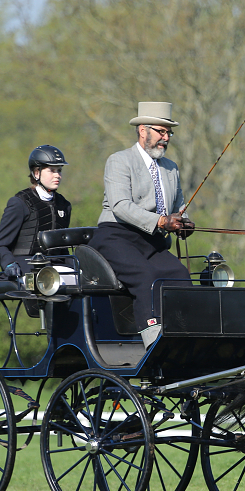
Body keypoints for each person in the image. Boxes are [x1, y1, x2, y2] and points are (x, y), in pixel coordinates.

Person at [87, 101, 195, 346]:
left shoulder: (171, 168)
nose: (165, 138)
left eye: (169, 133)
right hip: (116, 236)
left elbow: (178, 207)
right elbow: (120, 206)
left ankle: (185, 338)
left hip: (152, 241)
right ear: (143, 130)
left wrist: (183, 223)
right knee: (146, 277)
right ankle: (154, 343)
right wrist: (160, 220)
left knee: (180, 276)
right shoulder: (119, 161)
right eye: (161, 131)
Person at [0, 145, 72, 281]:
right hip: (26, 267)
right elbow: (0, 245)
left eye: (59, 170)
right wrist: (9, 264)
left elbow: (62, 248)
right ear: (36, 173)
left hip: (57, 267)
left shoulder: (64, 205)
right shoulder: (20, 203)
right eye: (52, 170)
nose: (58, 175)